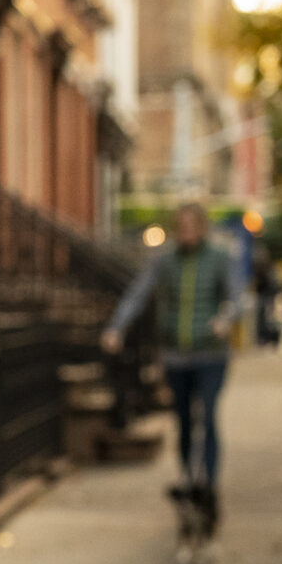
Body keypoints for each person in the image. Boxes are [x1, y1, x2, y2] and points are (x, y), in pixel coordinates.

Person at [101, 201, 238, 530]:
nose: (187, 232)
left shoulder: (220, 258)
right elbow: (138, 294)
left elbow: (236, 297)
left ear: (203, 227)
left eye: (192, 226)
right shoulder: (165, 259)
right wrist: (117, 326)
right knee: (185, 420)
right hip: (176, 354)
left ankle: (210, 484)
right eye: (182, 226)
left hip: (210, 354)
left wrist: (225, 320)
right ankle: (187, 477)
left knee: (207, 413)